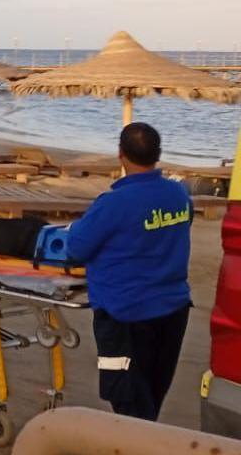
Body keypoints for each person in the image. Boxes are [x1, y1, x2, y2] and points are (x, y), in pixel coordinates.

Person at [67, 122, 192, 421]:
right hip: (172, 311)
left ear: (120, 155)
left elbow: (75, 249)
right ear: (158, 155)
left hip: (127, 314)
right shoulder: (178, 194)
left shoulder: (114, 203)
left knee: (130, 403)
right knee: (149, 397)